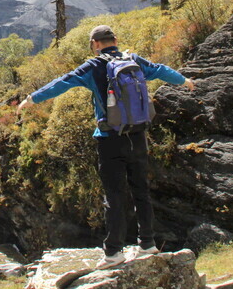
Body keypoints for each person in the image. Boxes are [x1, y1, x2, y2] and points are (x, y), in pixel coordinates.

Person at [18, 24, 195, 269]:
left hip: (110, 138)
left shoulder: (93, 66)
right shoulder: (132, 59)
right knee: (141, 190)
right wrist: (183, 80)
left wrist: (32, 99)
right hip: (138, 135)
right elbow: (158, 70)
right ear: (115, 41)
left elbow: (63, 82)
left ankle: (113, 252)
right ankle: (148, 244)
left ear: (96, 44)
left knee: (114, 195)